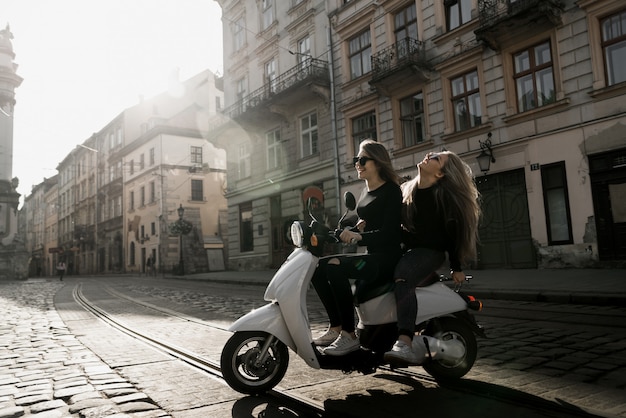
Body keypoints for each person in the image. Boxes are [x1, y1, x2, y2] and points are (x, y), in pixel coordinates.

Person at [383, 150, 481, 365]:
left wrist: (456, 267)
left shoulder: (443, 196)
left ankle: (405, 342)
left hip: (431, 253)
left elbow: (452, 233)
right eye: (433, 153)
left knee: (404, 274)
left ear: (440, 174)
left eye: (437, 158)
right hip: (411, 250)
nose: (429, 154)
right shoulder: (408, 191)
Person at [312, 139, 403, 356]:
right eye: (356, 160)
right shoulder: (365, 191)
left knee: (335, 265)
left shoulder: (391, 191)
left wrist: (357, 237)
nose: (357, 164)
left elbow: (390, 233)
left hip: (387, 259)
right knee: (316, 268)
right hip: (371, 258)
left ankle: (349, 335)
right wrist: (347, 230)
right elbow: (366, 222)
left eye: (362, 159)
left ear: (378, 162)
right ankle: (335, 328)